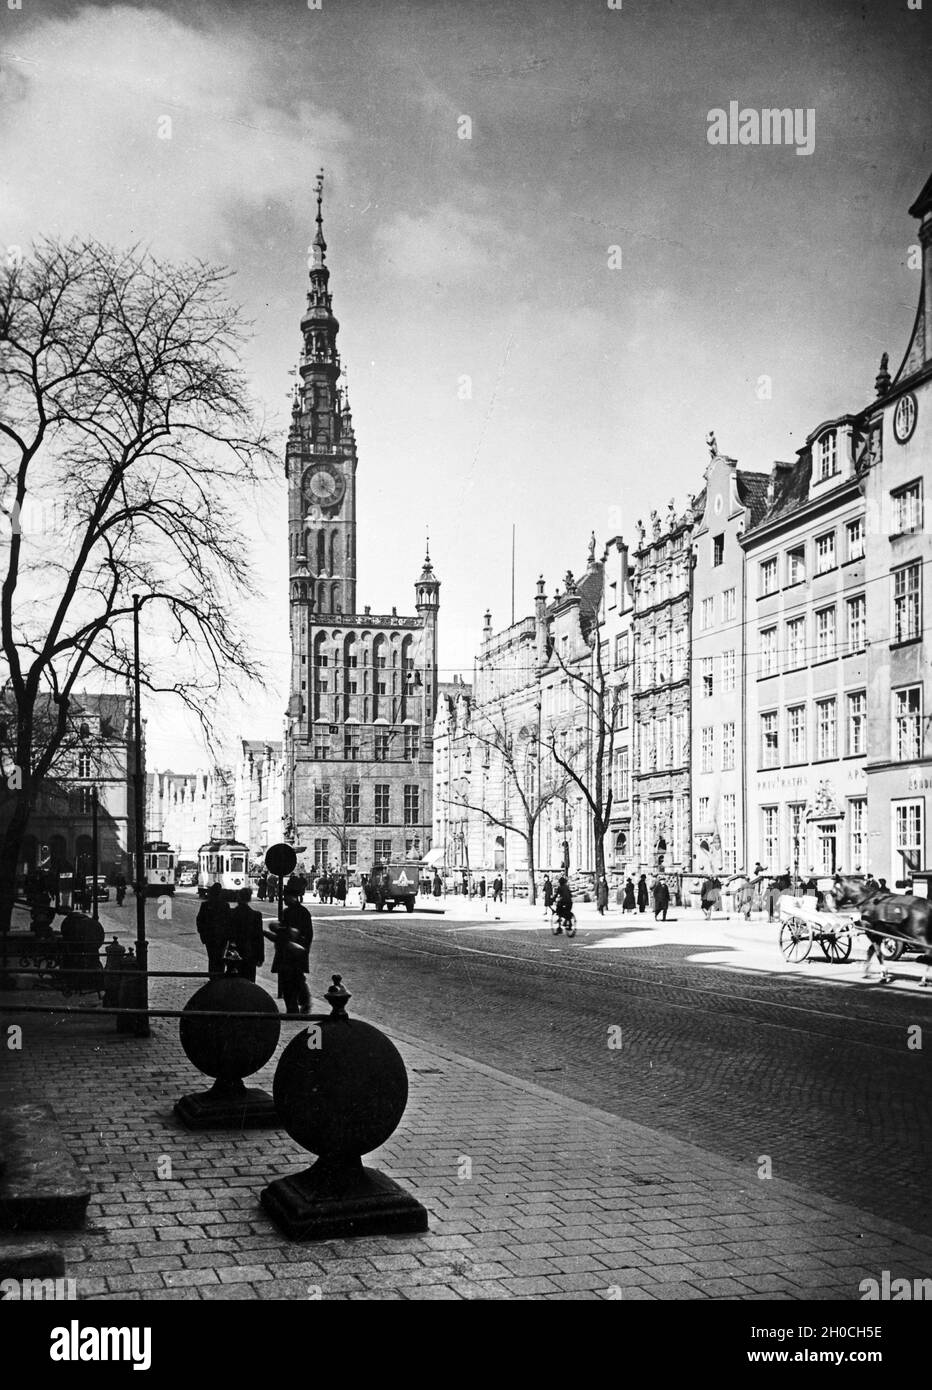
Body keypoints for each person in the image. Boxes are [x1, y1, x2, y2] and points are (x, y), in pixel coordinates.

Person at [264, 889, 312, 1013]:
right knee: (294, 979)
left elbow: (306, 934)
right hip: (291, 951)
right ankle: (296, 1006)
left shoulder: (300, 912)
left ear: (294, 897)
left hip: (293, 952)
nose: (284, 899)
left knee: (294, 980)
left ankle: (298, 1005)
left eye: (286, 897)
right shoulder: (292, 912)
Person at [225, 886, 265, 982]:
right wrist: (260, 957)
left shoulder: (231, 913)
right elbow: (259, 938)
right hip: (249, 952)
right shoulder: (256, 915)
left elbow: (227, 933)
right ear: (249, 899)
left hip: (234, 951)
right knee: (249, 981)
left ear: (238, 897)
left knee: (233, 980)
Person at [196, 883, 231, 976]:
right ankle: (220, 975)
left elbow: (199, 920)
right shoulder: (225, 905)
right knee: (220, 956)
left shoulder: (205, 905)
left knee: (211, 957)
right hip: (222, 937)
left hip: (209, 937)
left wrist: (203, 934)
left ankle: (212, 976)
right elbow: (229, 921)